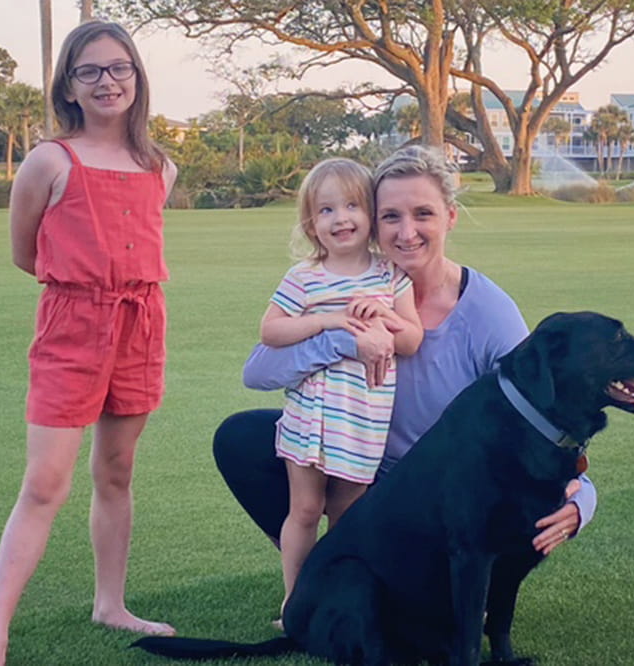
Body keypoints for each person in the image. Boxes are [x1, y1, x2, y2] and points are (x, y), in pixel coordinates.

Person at [216, 145, 595, 570]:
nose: (406, 231)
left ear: (450, 217)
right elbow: (259, 371)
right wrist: (347, 337)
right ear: (373, 224)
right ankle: (316, 582)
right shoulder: (343, 287)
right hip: (365, 463)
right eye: (391, 216)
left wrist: (584, 495)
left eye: (423, 214)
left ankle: (436, 583)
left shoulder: (489, 311)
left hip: (441, 488)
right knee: (241, 438)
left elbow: (544, 412)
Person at [0, 21, 177, 666]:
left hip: (141, 324)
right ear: (68, 84)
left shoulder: (159, 166)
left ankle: (110, 604)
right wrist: (82, 292)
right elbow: (23, 253)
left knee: (116, 471)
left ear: (137, 76)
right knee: (45, 483)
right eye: (90, 71)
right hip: (71, 326)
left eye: (119, 68)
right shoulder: (49, 160)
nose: (108, 81)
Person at [261, 158, 423, 616]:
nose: (341, 218)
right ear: (312, 224)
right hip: (309, 418)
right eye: (327, 210)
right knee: (306, 511)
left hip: (363, 419)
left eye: (352, 206)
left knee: (349, 517)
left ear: (370, 215)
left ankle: (338, 600)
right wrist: (330, 320)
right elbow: (270, 331)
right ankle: (294, 601)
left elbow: (411, 340)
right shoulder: (304, 278)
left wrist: (384, 315)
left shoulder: (389, 277)